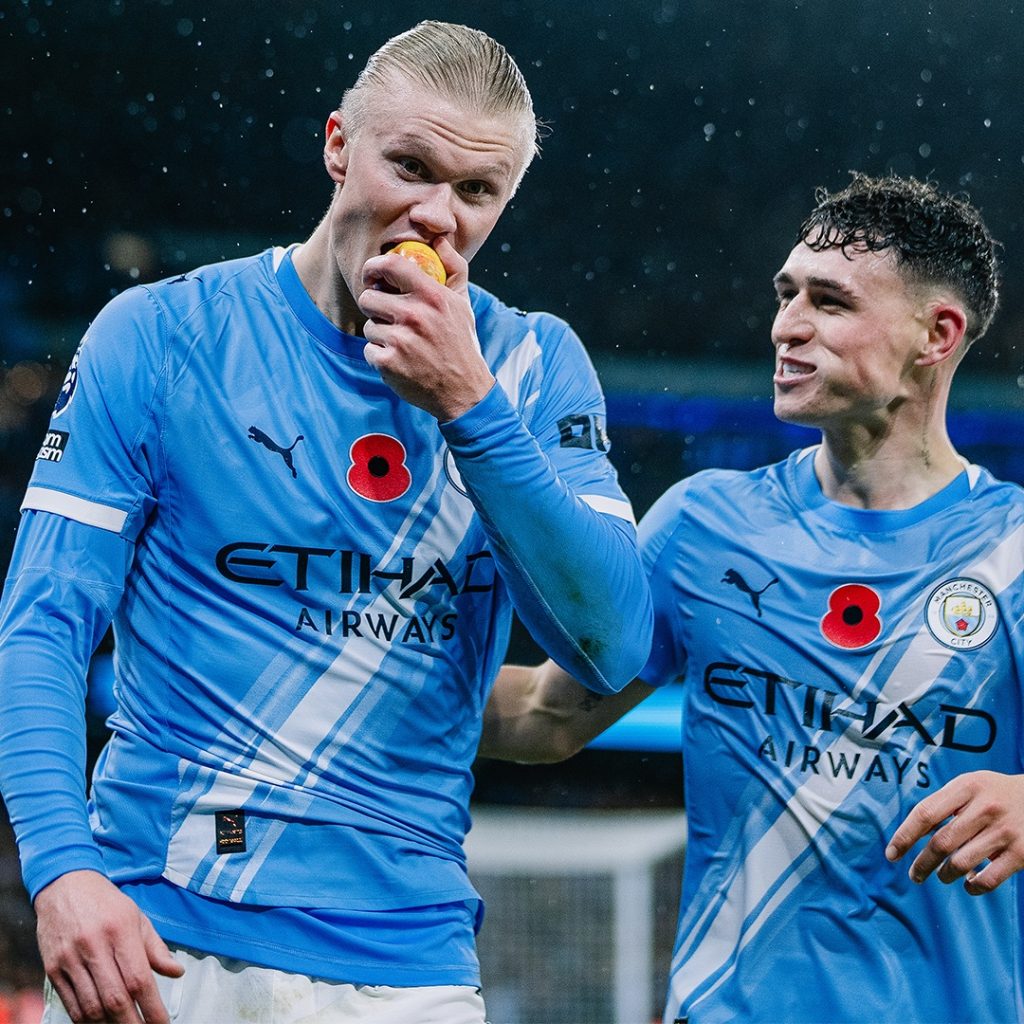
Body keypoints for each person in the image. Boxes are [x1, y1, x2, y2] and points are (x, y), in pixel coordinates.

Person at [0, 21, 652, 1024]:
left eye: (476, 191)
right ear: (338, 145)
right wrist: (58, 868)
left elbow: (610, 640)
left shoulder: (529, 367)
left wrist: (469, 409)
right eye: (411, 166)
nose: (436, 214)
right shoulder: (165, 335)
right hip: (161, 937)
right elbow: (43, 620)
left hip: (408, 963)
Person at [481, 173, 1024, 1024]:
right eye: (786, 293)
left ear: (937, 334)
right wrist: (350, 673)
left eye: (830, 302)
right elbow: (548, 717)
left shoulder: (1017, 553)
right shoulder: (703, 525)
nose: (787, 326)